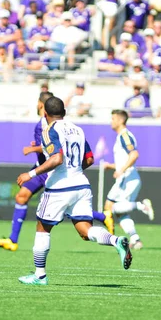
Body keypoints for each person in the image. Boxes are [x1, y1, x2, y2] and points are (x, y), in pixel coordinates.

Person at [16, 97, 132, 285]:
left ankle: (39, 276)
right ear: (65, 112)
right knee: (85, 231)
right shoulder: (78, 129)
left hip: (59, 187)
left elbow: (56, 159)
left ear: (45, 113)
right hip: (81, 185)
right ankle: (116, 241)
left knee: (43, 228)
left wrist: (31, 174)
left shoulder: (49, 130)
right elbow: (89, 159)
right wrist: (74, 173)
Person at [0, 92, 53, 252]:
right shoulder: (44, 122)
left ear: (40, 104)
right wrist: (37, 146)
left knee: (68, 209)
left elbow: (51, 146)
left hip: (49, 169)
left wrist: (32, 148)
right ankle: (13, 240)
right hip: (40, 167)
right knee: (21, 196)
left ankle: (102, 216)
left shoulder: (45, 123)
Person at [99, 110, 153, 249]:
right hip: (127, 177)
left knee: (111, 207)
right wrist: (111, 166)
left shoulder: (125, 136)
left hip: (127, 178)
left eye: (113, 118)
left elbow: (134, 154)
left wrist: (121, 170)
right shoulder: (121, 137)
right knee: (120, 212)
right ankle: (135, 239)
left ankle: (142, 206)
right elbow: (126, 159)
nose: (111, 121)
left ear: (120, 120)